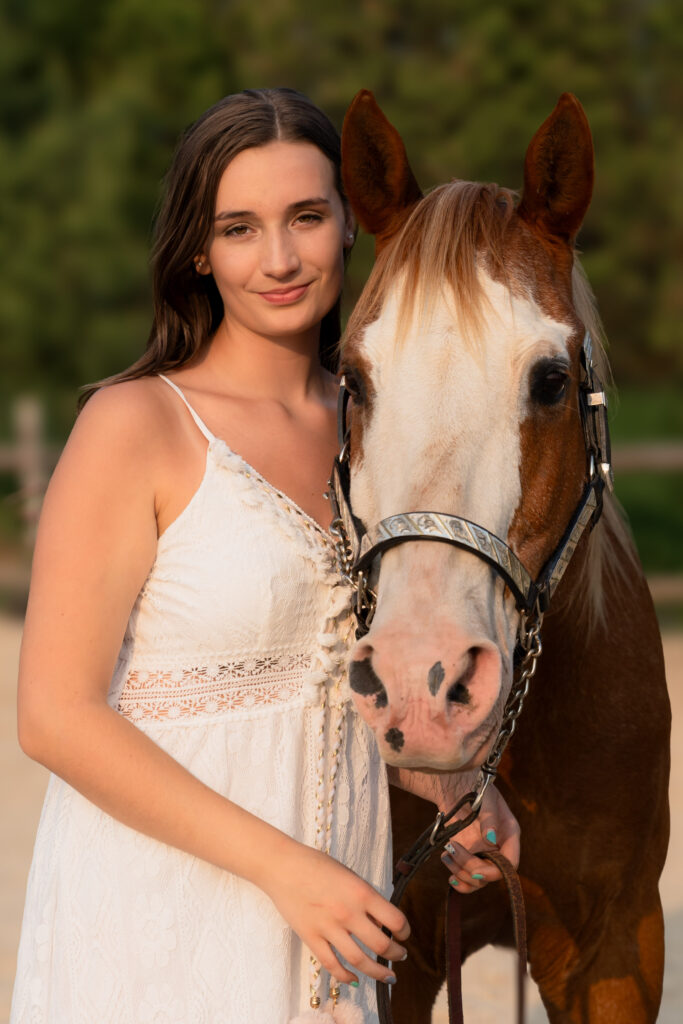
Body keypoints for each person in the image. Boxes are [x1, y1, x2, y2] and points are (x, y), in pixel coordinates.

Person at [11, 88, 519, 1024]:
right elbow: (52, 715)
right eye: (239, 228)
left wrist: (448, 788)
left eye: (306, 218)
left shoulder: (381, 433)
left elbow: (336, 677)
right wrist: (288, 875)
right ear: (197, 252)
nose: (279, 259)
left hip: (334, 926)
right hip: (158, 921)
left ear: (349, 229)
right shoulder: (137, 425)